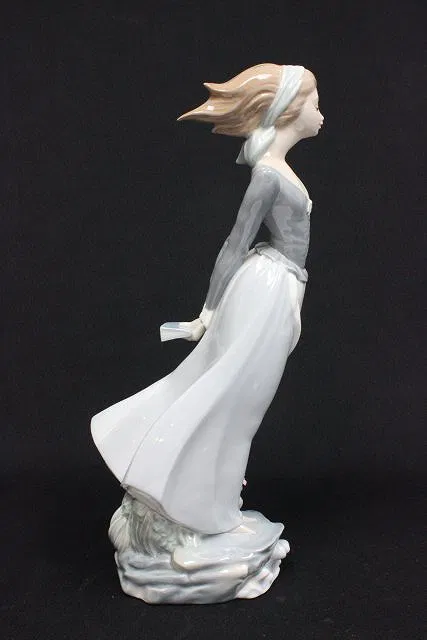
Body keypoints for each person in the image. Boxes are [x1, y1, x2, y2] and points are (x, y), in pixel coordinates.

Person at [91, 63, 324, 535]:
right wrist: (208, 311)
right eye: (316, 103)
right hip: (265, 290)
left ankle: (209, 500)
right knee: (235, 398)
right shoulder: (267, 176)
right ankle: (205, 507)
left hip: (279, 286)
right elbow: (235, 243)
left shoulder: (278, 170)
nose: (321, 113)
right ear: (290, 110)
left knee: (237, 397)